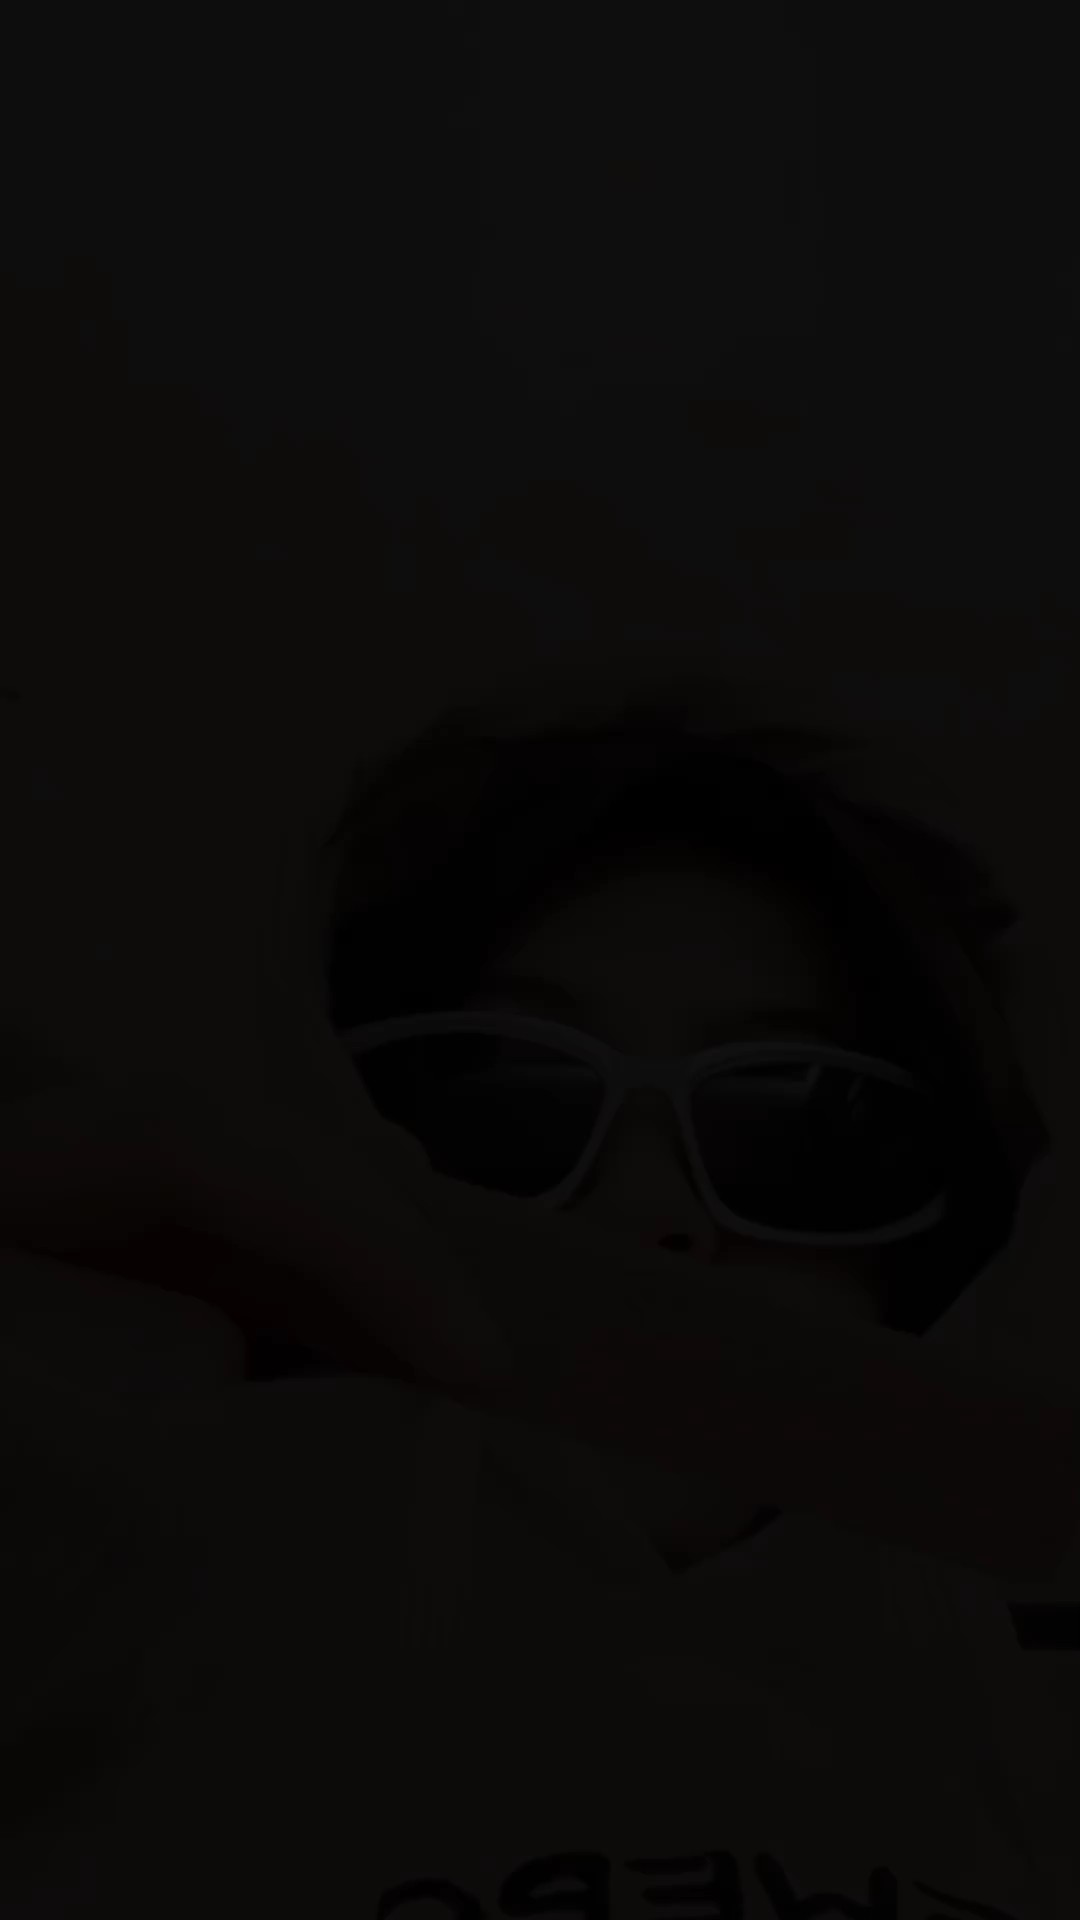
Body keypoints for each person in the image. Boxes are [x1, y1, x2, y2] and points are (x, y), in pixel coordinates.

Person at [1, 666, 1077, 1917]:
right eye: (508, 1104)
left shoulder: (1032, 1740)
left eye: (797, 1127)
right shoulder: (121, 1604)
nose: (651, 1215)